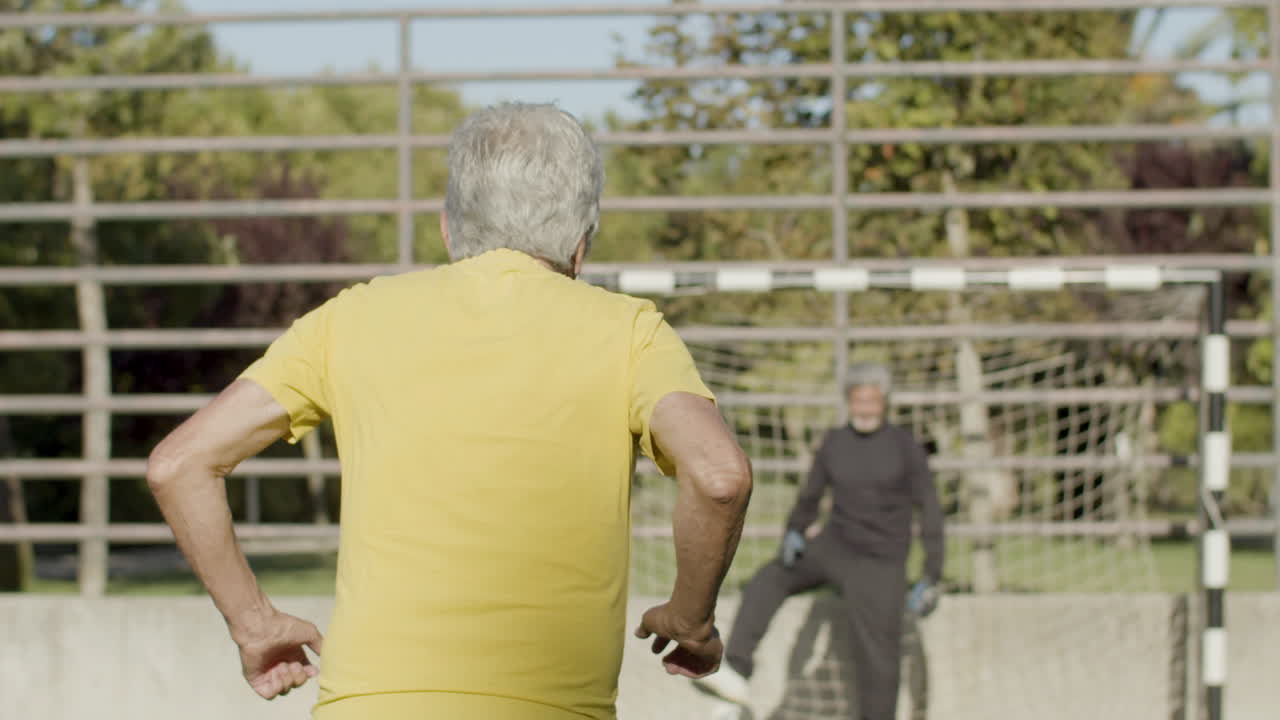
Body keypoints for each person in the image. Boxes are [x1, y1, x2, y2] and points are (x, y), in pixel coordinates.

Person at [146, 102, 753, 720]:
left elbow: (179, 465)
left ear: (447, 227)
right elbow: (719, 477)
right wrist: (691, 617)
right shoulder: (631, 332)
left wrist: (253, 624)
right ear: (580, 245)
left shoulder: (350, 319)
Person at [694, 362, 943, 720]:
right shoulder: (835, 443)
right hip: (835, 545)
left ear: (885, 402)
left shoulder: (905, 448)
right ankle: (735, 671)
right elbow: (810, 497)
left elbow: (931, 511)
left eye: (872, 400)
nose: (865, 408)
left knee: (880, 658)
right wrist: (794, 531)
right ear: (848, 401)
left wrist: (932, 573)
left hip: (881, 561)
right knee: (770, 577)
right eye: (858, 400)